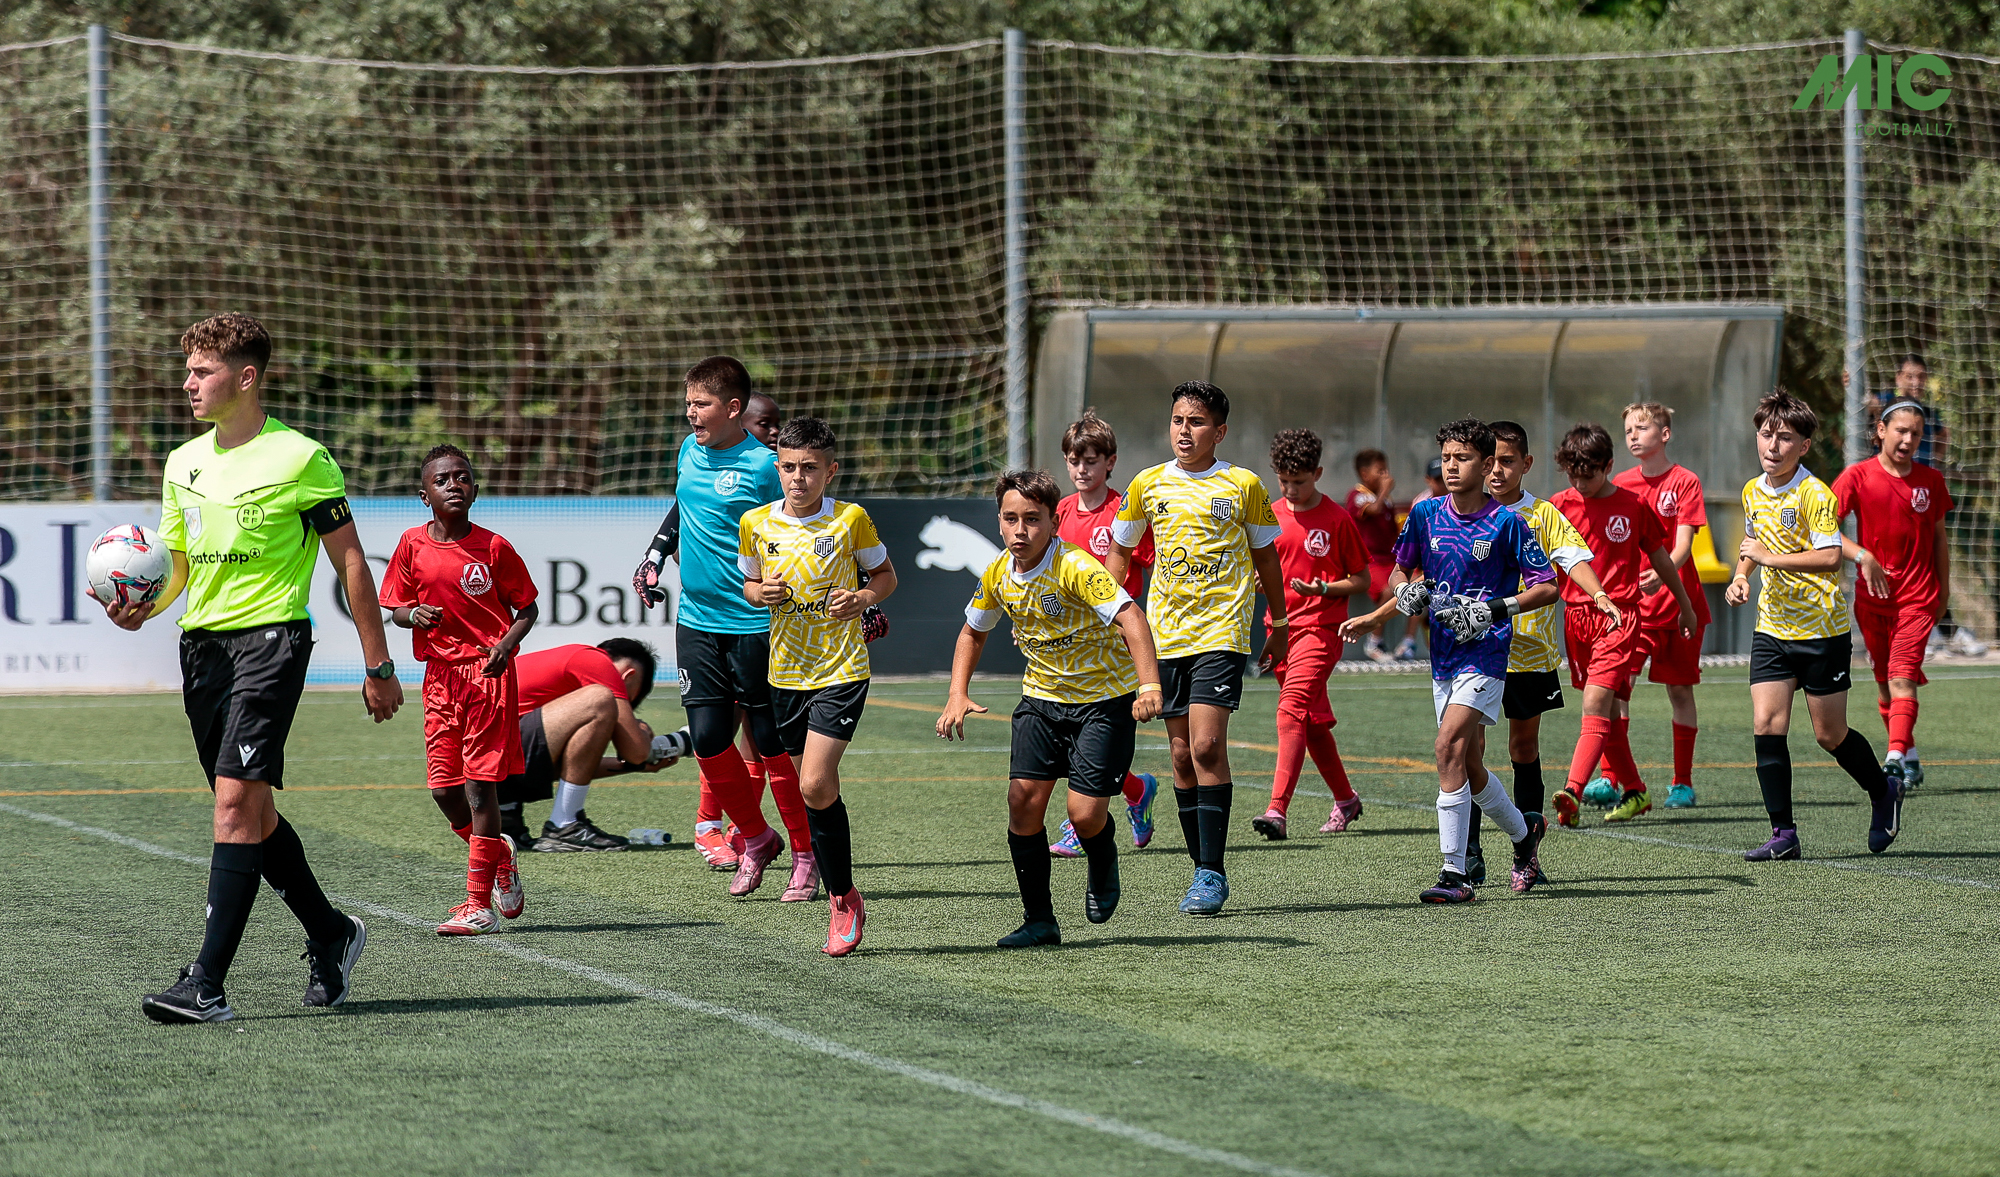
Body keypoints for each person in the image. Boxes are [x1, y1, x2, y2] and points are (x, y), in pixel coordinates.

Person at [115, 313, 402, 1022]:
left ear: (246, 377)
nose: (188, 383)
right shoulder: (182, 463)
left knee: (234, 805)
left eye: (202, 371)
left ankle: (206, 984)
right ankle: (332, 933)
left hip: (272, 643)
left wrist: (378, 663)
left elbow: (352, 563)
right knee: (252, 810)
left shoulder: (303, 458)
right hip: (201, 649)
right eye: (187, 370)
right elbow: (179, 568)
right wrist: (143, 609)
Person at [937, 469, 1164, 947]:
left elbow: (1132, 617)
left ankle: (1103, 859)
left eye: (1033, 519)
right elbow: (972, 632)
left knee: (1083, 815)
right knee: (1022, 803)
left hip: (1103, 703)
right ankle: (1039, 921)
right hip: (1041, 702)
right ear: (999, 521)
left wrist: (1148, 686)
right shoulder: (998, 572)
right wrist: (957, 693)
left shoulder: (1076, 567)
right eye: (1011, 519)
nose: (1020, 530)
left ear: (1054, 523)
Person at [1339, 418, 1556, 902]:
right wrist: (1404, 592)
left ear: (1486, 463)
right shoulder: (1424, 514)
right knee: (1469, 765)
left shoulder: (1507, 523)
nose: (1451, 466)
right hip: (1443, 657)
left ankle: (1454, 875)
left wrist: (1493, 609)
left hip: (1486, 654)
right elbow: (1398, 572)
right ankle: (1524, 836)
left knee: (1445, 747)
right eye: (1447, 458)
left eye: (1463, 458)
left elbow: (1547, 587)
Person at [631, 359, 814, 899]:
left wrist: (854, 589)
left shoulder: (764, 467)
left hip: (757, 623)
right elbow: (683, 504)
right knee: (710, 738)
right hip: (696, 619)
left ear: (733, 408)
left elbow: (805, 527)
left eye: (702, 404)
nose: (691, 414)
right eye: (688, 403)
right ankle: (756, 838)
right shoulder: (689, 451)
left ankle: (806, 854)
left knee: (771, 744)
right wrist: (654, 556)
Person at [1105, 380, 1288, 916]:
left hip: (1222, 632)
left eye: (1197, 422)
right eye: (1178, 420)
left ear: (1220, 432)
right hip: (1164, 635)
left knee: (1207, 747)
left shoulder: (1243, 485)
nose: (1185, 431)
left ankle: (1212, 873)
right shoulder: (1147, 483)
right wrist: (1107, 613)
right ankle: (1199, 868)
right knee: (1182, 756)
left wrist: (1279, 621)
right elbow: (1119, 549)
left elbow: (1267, 557)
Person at [739, 416, 897, 954]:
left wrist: (863, 598)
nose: (797, 478)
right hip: (785, 674)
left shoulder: (851, 519)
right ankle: (837, 883)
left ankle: (842, 899)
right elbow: (749, 584)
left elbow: (886, 577)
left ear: (830, 472)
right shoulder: (756, 522)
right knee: (817, 790)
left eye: (809, 468)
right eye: (788, 467)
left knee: (812, 784)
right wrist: (760, 594)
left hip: (842, 670)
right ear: (777, 468)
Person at [1726, 392, 1901, 861]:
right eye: (1766, 434)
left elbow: (1829, 558)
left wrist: (1768, 559)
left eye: (1785, 438)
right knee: (1767, 724)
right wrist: (1741, 577)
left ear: (1803, 446)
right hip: (1772, 629)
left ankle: (1884, 789)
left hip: (1822, 631)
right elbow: (1752, 545)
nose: (1773, 445)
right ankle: (1783, 834)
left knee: (1829, 734)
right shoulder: (1751, 490)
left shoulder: (1815, 494)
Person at [382, 445, 539, 935]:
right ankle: (499, 857)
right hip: (439, 679)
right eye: (442, 479)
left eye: (462, 477)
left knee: (477, 788)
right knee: (443, 791)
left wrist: (506, 645)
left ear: (474, 489)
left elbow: (528, 608)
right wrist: (413, 614)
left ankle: (477, 904)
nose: (454, 485)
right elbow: (396, 607)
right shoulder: (411, 544)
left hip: (487, 676)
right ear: (424, 495)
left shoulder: (494, 548)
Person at [1467, 421, 1616, 888]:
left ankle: (1526, 854)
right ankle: (1468, 854)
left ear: (1526, 464)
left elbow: (1573, 557)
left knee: (1523, 747)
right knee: (1469, 750)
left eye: (1507, 461)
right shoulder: (1463, 511)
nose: (1497, 470)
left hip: (1529, 655)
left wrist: (1598, 594)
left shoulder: (1542, 514)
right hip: (1476, 651)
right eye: (1489, 461)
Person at [1547, 424, 1699, 829]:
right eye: (1573, 475)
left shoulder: (1633, 505)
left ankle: (1572, 791)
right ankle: (1635, 790)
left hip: (1620, 617)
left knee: (1595, 704)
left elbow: (1661, 557)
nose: (1581, 484)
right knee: (1610, 712)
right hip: (1576, 619)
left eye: (1589, 475)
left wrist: (1685, 606)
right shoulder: (1558, 506)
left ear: (1609, 466)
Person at [1049, 411, 1160, 855]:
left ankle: (1080, 821)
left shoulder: (1123, 512)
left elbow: (1154, 564)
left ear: (1110, 462)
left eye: (1091, 461)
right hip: (1068, 641)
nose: (1081, 469)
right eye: (1074, 460)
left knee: (1096, 730)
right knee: (1067, 729)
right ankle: (1136, 790)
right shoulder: (1058, 512)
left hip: (1114, 640)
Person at [1251, 429, 1371, 841]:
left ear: (1317, 474)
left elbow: (1361, 579)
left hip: (1321, 631)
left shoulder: (1337, 519)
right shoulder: (1268, 515)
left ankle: (1276, 810)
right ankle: (1346, 800)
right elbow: (1263, 570)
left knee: (1290, 710)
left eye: (1299, 481)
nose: (1290, 489)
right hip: (1279, 633)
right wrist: (1258, 582)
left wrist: (1324, 588)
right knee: (1312, 723)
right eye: (1283, 480)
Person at [1833, 400, 1954, 791]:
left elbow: (1939, 540)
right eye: (1901, 430)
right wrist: (1862, 556)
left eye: (1916, 433)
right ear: (1881, 431)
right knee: (1885, 682)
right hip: (1871, 601)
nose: (1908, 439)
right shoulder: (1857, 476)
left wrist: (1944, 592)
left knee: (1902, 679)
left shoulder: (1931, 481)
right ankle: (1910, 755)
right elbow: (1823, 530)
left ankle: (1894, 761)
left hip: (1918, 599)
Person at [1610, 402, 1711, 809]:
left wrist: (1662, 572)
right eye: (1628, 430)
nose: (1633, 436)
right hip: (1633, 608)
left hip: (1680, 606)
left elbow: (1684, 544)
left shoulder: (1685, 481)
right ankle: (1610, 777)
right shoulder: (1620, 484)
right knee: (1617, 688)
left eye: (1642, 428)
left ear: (1664, 434)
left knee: (1680, 691)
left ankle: (1682, 783)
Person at [500, 638, 679, 850]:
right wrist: (640, 735)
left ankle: (506, 816)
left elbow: (560, 763)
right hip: (494, 761)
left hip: (481, 775)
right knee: (599, 699)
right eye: (628, 701)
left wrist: (629, 766)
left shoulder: (563, 677)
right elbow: (637, 752)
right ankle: (565, 826)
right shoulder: (595, 661)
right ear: (628, 676)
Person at [1344, 448, 1399, 663]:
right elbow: (1372, 510)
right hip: (1369, 561)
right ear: (1365, 474)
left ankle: (1407, 643)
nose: (1386, 475)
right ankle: (1374, 641)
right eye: (1380, 471)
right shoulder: (1357, 495)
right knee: (1389, 591)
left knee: (1415, 585)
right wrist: (1384, 491)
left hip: (1389, 559)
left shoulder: (1386, 500)